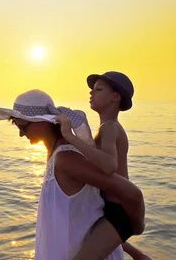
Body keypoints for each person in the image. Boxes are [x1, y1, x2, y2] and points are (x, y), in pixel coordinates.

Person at [0, 89, 145, 260]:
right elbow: (88, 217)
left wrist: (136, 227)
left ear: (43, 122)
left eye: (22, 126)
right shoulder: (58, 155)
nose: (21, 133)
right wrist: (135, 252)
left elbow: (132, 194)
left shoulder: (66, 159)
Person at [55, 71, 151, 260]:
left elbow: (108, 165)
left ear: (116, 97)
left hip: (118, 211)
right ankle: (139, 256)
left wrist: (69, 136)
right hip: (109, 209)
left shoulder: (109, 128)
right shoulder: (108, 127)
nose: (91, 93)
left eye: (98, 89)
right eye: (92, 89)